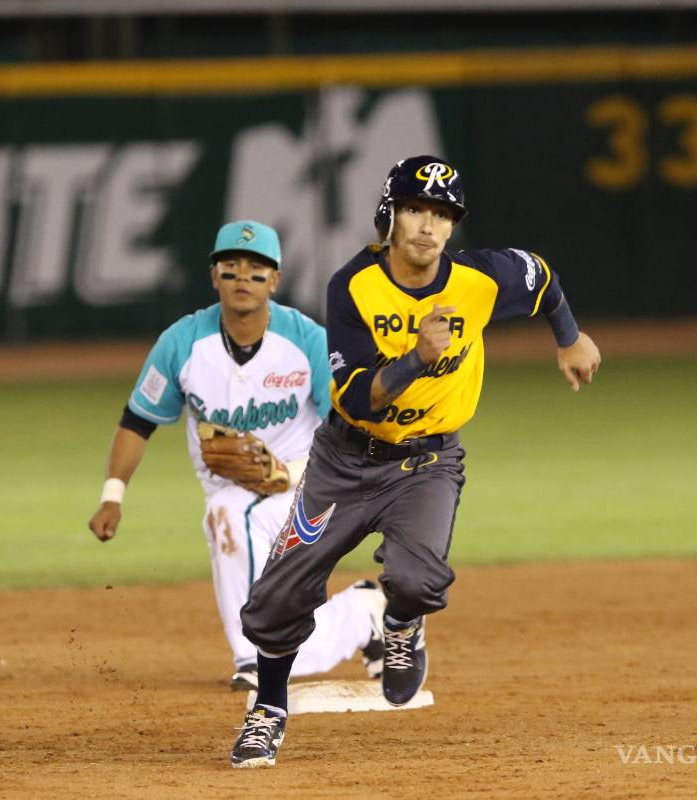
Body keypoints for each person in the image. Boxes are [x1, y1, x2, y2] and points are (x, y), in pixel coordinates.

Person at [228, 156, 602, 768]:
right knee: (276, 598)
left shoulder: (480, 280)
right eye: (416, 210)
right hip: (345, 463)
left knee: (419, 580)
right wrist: (415, 361)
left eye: (442, 214)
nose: (429, 225)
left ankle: (399, 623)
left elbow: (541, 276)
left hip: (426, 464)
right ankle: (268, 712)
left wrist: (569, 336)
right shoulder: (353, 286)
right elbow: (351, 396)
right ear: (391, 216)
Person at [88, 219, 385, 692]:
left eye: (256, 268)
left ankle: (254, 655)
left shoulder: (307, 339)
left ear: (275, 280)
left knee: (226, 515)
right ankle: (363, 613)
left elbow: (346, 425)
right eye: (231, 267)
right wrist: (112, 496)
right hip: (232, 485)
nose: (242, 277)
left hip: (311, 486)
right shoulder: (182, 343)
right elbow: (137, 420)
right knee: (232, 516)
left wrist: (288, 473)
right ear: (214, 277)